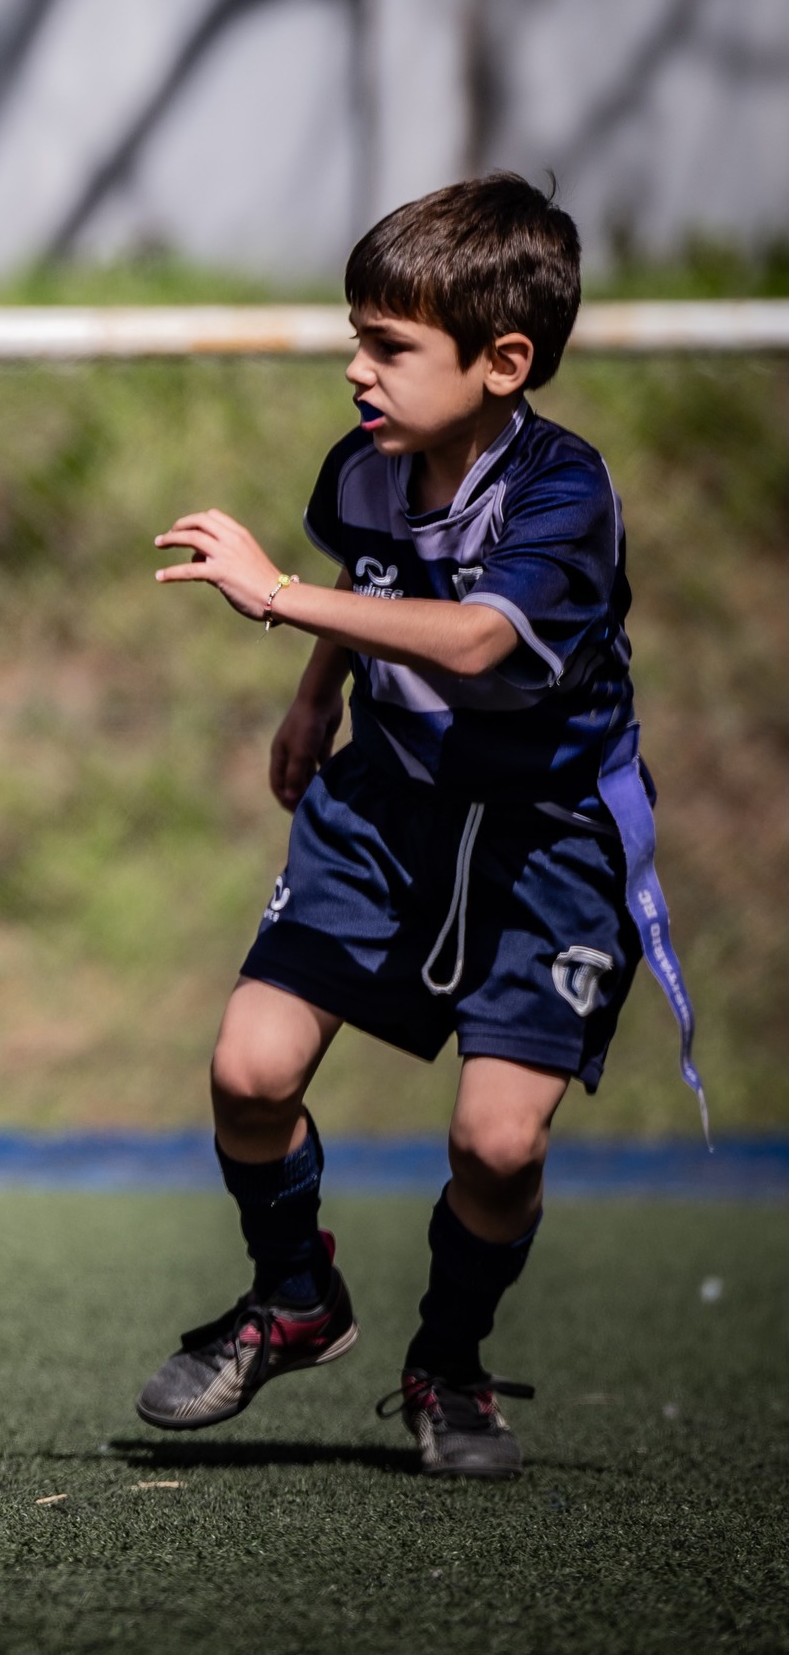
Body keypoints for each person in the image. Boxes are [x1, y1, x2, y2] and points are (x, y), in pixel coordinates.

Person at [137, 172, 701, 1479]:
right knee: (249, 1069)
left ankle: (449, 1362)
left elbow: (471, 633)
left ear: (505, 361)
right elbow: (372, 573)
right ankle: (294, 1296)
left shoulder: (563, 494)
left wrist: (274, 602)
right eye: (357, 334)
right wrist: (312, 697)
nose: (355, 369)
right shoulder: (369, 465)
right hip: (382, 805)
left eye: (388, 345)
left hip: (548, 839)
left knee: (497, 1142)